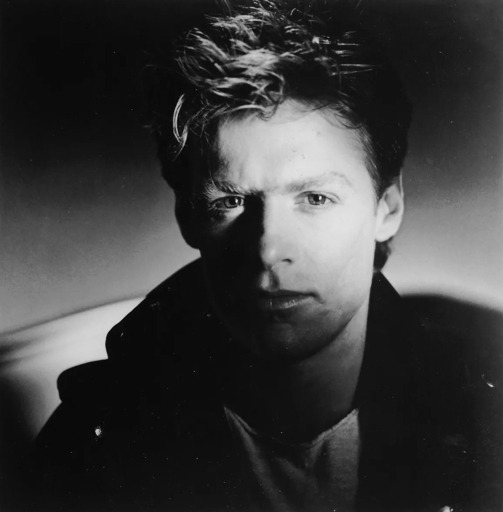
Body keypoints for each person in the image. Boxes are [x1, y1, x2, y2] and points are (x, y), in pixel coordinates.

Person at [31, 1, 502, 511]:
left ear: (386, 208)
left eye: (315, 198)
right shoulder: (93, 446)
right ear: (187, 217)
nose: (268, 249)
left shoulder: (485, 423)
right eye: (230, 202)